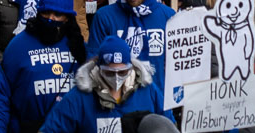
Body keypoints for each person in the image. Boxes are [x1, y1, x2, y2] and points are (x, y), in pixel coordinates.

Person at [0, 0, 86, 133]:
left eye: (57, 14)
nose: (51, 18)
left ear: (67, 18)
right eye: (46, 12)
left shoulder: (79, 48)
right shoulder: (18, 46)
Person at [38, 37, 168, 133]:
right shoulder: (79, 98)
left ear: (131, 68)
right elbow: (50, 129)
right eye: (109, 73)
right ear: (99, 69)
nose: (116, 78)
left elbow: (169, 124)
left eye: (122, 72)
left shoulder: (148, 91)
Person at [85, 0, 174, 93]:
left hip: (156, 103)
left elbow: (177, 67)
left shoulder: (168, 16)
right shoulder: (104, 17)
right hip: (117, 104)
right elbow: (93, 64)